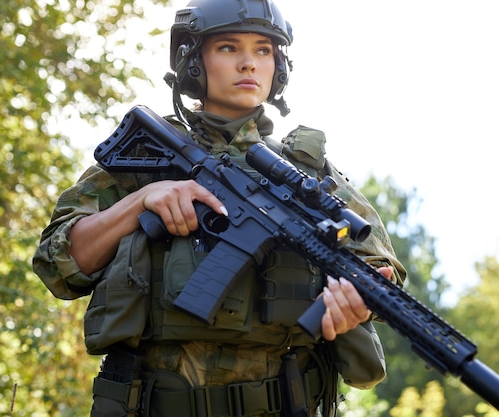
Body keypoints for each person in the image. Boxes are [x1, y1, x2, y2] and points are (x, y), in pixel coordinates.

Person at [33, 1, 406, 416]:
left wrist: (358, 300)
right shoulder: (144, 157)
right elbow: (57, 263)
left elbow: (381, 272)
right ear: (193, 61)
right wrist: (141, 200)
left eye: (264, 51)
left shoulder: (310, 176)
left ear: (279, 67)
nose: (249, 64)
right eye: (229, 48)